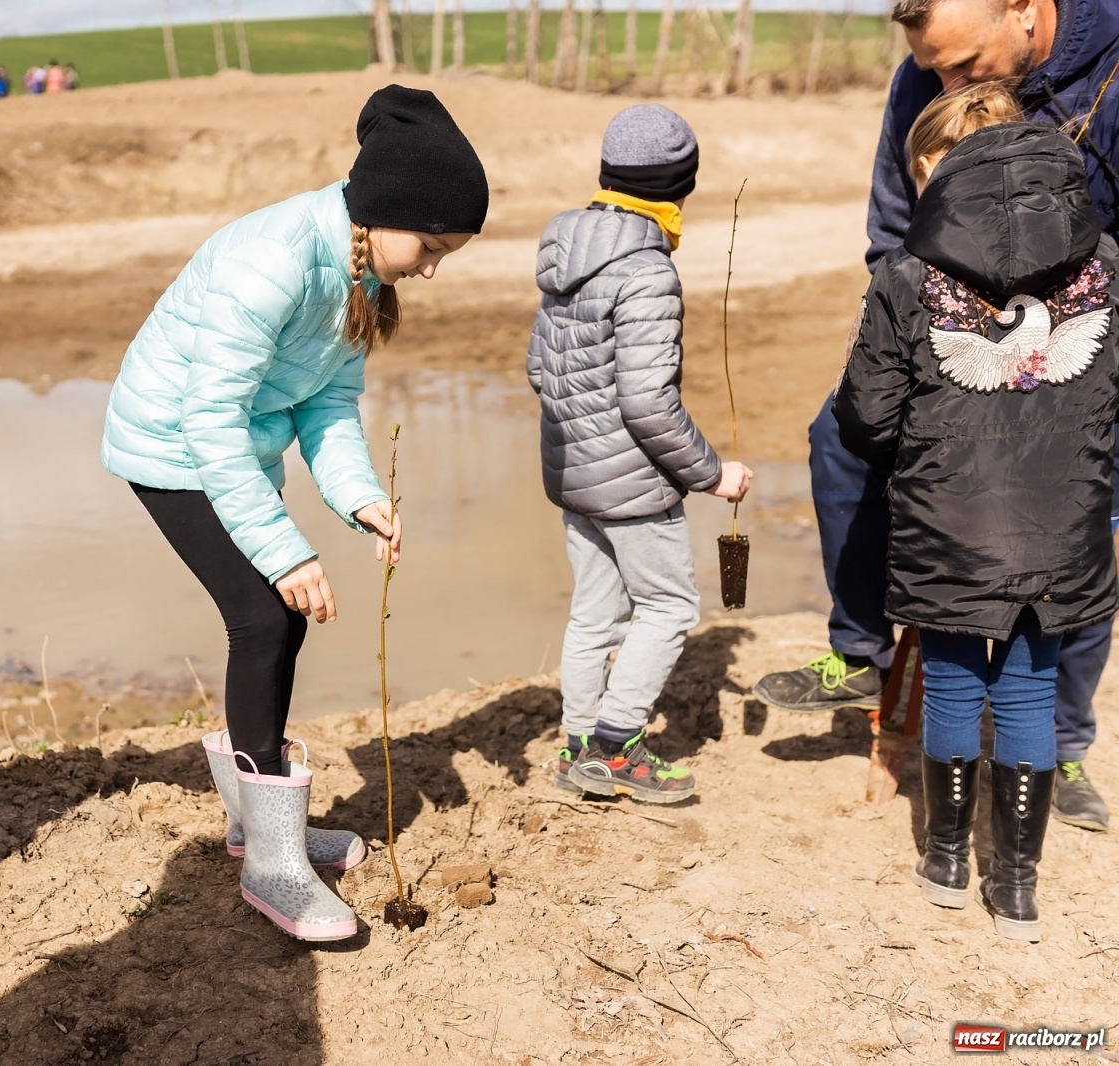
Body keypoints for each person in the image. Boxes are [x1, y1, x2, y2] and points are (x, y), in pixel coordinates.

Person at [102, 85, 484, 941]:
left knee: (278, 622)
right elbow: (208, 420)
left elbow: (327, 403)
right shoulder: (272, 261)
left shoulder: (358, 269)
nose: (431, 267)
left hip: (229, 445)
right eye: (431, 247)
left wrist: (358, 497)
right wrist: (285, 550)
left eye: (445, 255)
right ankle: (274, 865)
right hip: (172, 445)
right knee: (267, 617)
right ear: (386, 213)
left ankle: (258, 821)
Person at [751, 0, 1119, 832]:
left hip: (1082, 330)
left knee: (1086, 521)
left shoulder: (1111, 75)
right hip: (951, 315)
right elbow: (893, 226)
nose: (942, 82)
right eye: (932, 67)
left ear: (1026, 12)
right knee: (840, 436)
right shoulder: (926, 71)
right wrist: (912, 319)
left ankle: (1063, 739)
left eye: (961, 65)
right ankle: (860, 651)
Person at [835, 89, 1118, 942]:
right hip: (1063, 524)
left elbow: (865, 416)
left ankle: (949, 863)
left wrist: (918, 463)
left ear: (942, 172)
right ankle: (1019, 888)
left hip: (949, 520)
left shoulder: (906, 276)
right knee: (1030, 688)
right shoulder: (1104, 263)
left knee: (956, 683)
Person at [530, 105, 753, 806]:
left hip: (571, 472)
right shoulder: (647, 268)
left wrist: (585, 440)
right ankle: (615, 747)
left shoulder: (563, 247)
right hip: (631, 484)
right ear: (678, 189)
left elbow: (540, 369)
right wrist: (713, 473)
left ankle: (577, 743)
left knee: (596, 613)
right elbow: (649, 404)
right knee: (669, 605)